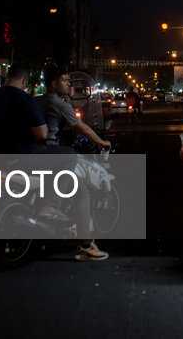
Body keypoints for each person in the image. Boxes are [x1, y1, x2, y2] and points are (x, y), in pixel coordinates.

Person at [42, 67, 110, 262]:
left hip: (31, 154)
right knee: (81, 190)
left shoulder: (38, 100)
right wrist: (101, 142)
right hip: (52, 155)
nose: (68, 84)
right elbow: (84, 128)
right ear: (54, 84)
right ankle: (85, 245)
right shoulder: (60, 104)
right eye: (64, 81)